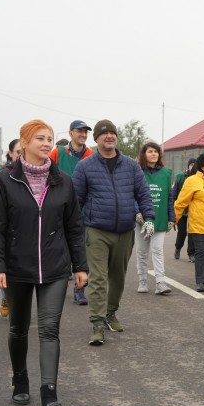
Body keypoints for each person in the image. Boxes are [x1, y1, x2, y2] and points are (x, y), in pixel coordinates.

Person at [0, 120, 88, 406]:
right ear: (25, 142)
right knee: (18, 327)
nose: (46, 143)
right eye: (40, 138)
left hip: (55, 268)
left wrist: (80, 266)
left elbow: (74, 226)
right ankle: (20, 379)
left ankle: (49, 394)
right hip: (17, 267)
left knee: (49, 329)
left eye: (50, 139)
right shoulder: (4, 180)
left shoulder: (63, 181)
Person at [72, 119, 154, 346]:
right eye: (104, 133)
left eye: (112, 133)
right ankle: (97, 323)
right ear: (96, 138)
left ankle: (110, 313)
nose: (109, 136)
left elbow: (143, 193)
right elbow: (76, 201)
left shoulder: (131, 165)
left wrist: (149, 217)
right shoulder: (85, 167)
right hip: (97, 230)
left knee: (118, 278)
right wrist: (74, 230)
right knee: (98, 278)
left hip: (125, 231)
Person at [50, 119, 94, 305]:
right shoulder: (58, 152)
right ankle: (55, 289)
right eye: (79, 131)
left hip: (83, 211)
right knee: (57, 251)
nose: (83, 135)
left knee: (80, 251)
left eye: (85, 132)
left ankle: (79, 290)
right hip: (59, 208)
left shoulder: (92, 155)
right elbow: (46, 173)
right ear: (70, 133)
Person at [174, 150, 204, 292]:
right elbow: (181, 202)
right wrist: (174, 219)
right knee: (202, 253)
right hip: (198, 225)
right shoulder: (191, 181)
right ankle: (200, 281)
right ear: (202, 166)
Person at [0, 138, 23, 318]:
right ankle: (5, 297)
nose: (22, 156)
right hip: (7, 231)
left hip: (25, 232)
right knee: (6, 268)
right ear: (10, 154)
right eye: (18, 152)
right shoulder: (1, 175)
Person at [136, 141, 174, 295]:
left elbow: (170, 197)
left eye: (156, 151)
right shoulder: (138, 172)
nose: (154, 154)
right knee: (142, 251)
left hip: (160, 218)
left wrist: (172, 217)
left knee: (157, 250)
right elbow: (132, 194)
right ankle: (142, 281)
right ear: (144, 154)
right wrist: (137, 212)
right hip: (142, 220)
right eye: (150, 151)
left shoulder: (166, 173)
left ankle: (160, 282)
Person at [171, 157, 196, 261]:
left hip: (194, 211)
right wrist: (173, 208)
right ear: (188, 166)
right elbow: (174, 193)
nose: (193, 167)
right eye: (191, 165)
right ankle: (178, 248)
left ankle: (191, 254)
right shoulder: (180, 177)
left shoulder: (198, 178)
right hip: (182, 210)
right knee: (182, 232)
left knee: (192, 233)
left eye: (195, 165)